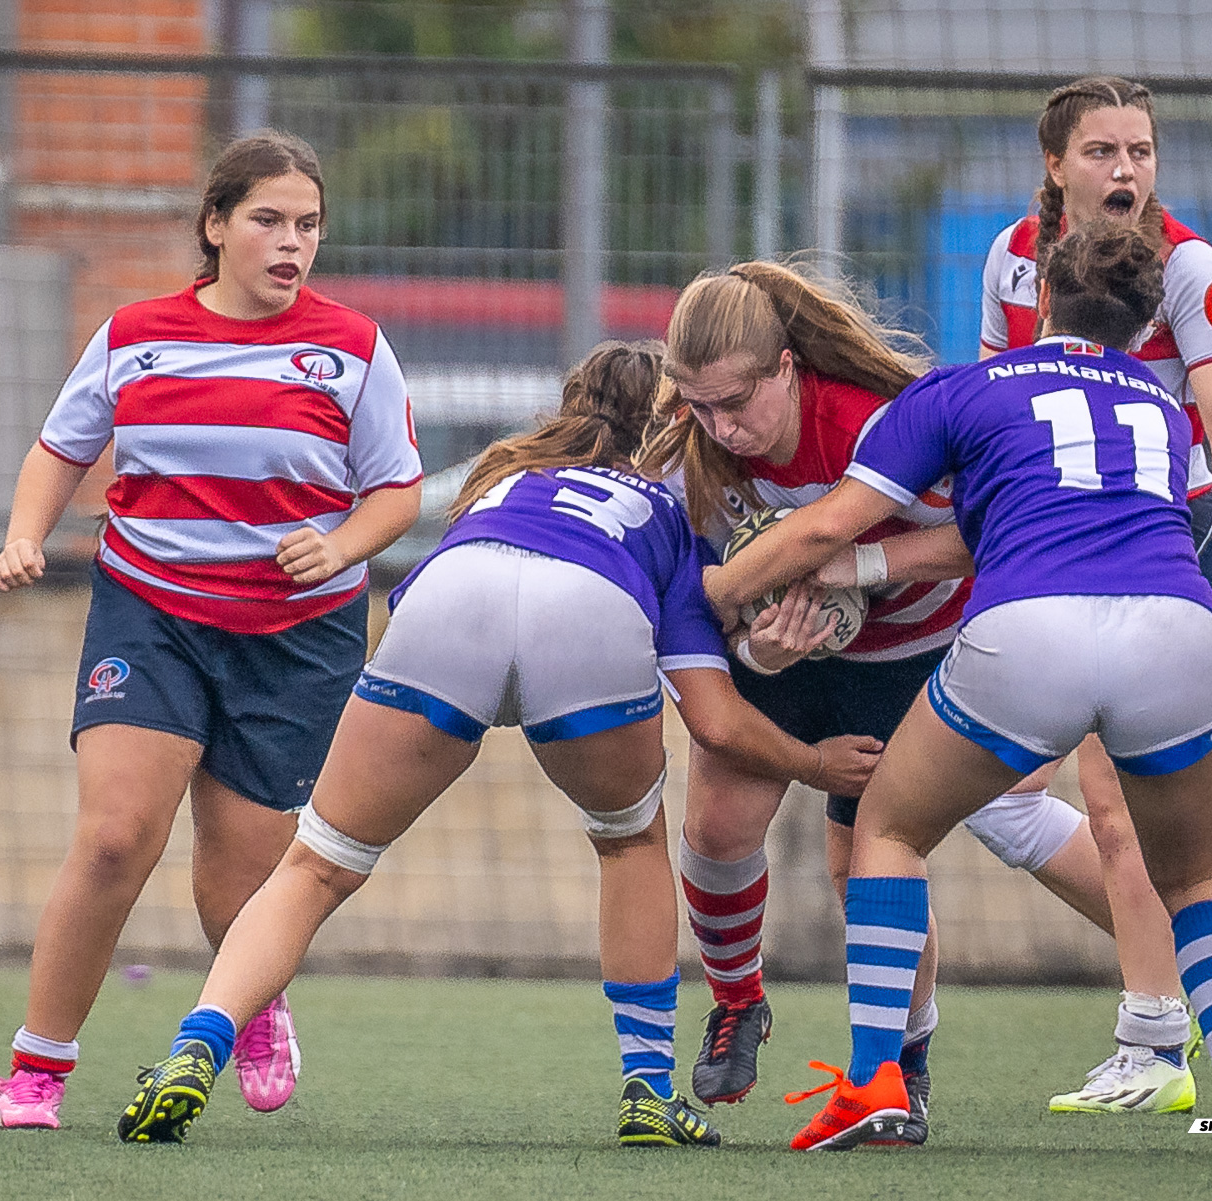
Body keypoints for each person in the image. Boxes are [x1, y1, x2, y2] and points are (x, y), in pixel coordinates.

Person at [114, 341, 882, 1148]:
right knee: (629, 843)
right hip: (590, 606)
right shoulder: (671, 521)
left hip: (458, 594)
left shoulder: (504, 481)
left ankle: (195, 1045)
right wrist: (815, 762)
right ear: (670, 431)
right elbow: (717, 722)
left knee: (314, 864)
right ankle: (648, 1091)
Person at [708, 223, 1212, 1157]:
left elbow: (824, 529)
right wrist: (866, 569)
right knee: (1202, 874)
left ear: (1043, 301)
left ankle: (874, 1084)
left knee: (885, 830)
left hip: (1032, 630)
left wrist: (718, 595)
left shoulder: (966, 387)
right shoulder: (1159, 400)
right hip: (1177, 630)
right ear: (1144, 333)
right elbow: (1094, 517)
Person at [0, 131, 423, 1130]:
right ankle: (37, 1067)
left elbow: (397, 490)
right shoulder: (137, 332)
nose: (291, 243)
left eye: (308, 225)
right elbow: (60, 447)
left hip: (297, 639)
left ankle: (253, 1001)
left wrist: (340, 542)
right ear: (216, 225)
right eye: (268, 220)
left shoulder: (351, 346)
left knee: (242, 879)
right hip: (152, 614)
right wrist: (24, 535)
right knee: (113, 837)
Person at [976, 75, 1212, 1114]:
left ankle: (1153, 1040)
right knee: (997, 797)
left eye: (1141, 151)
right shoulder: (1014, 258)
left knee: (1115, 803)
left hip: (1163, 535)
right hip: (1047, 542)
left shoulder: (1189, 267)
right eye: (1103, 151)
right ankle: (1196, 954)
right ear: (1056, 165)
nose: (1127, 170)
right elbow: (992, 406)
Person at [635, 261, 979, 1137]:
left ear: (787, 368)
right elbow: (698, 598)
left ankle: (906, 1065)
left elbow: (978, 536)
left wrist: (861, 566)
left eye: (737, 403)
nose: (722, 427)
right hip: (780, 655)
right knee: (714, 823)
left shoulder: (873, 422)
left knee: (868, 858)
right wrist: (757, 647)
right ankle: (739, 1002)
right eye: (700, 405)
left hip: (906, 654)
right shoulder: (694, 450)